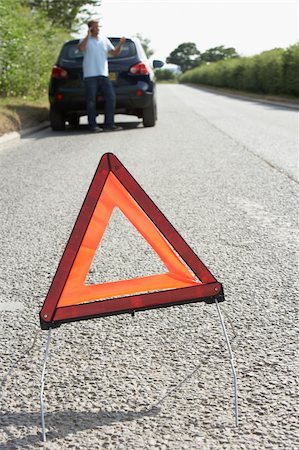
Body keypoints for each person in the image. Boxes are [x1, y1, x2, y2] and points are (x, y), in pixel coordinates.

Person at [78, 20, 126, 132]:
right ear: (90, 28)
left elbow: (114, 53)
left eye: (99, 26)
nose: (98, 28)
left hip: (103, 74)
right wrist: (88, 35)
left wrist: (120, 44)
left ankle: (109, 124)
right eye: (95, 27)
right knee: (91, 101)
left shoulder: (104, 40)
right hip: (90, 75)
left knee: (111, 98)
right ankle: (93, 125)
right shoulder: (85, 40)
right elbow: (81, 49)